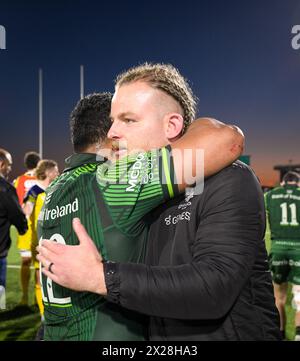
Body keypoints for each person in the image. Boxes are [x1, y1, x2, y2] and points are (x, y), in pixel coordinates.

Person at [39, 63, 280, 341]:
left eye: (128, 120)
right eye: (113, 120)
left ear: (172, 125)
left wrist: (100, 277)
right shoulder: (136, 188)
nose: (113, 132)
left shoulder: (229, 178)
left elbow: (213, 289)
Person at [265, 171, 300, 341]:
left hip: (278, 248)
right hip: (299, 249)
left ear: (283, 183)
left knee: (279, 297)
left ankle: (280, 335)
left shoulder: (271, 195)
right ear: (297, 183)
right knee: (299, 298)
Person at [25, 159, 59, 334]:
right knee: (40, 279)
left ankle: (55, 308)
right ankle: (43, 314)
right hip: (37, 242)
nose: (58, 173)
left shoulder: (55, 189)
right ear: (49, 172)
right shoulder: (34, 190)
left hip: (53, 240)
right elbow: (26, 210)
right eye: (56, 170)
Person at [0, 149, 28, 309]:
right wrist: (22, 228)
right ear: (1, 164)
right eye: (9, 165)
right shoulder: (5, 188)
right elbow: (17, 216)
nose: (10, 169)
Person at [14, 151, 40, 306]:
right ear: (38, 164)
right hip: (39, 225)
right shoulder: (42, 179)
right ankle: (39, 299)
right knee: (39, 265)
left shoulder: (19, 180)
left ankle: (24, 298)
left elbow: (16, 203)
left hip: (24, 228)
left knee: (25, 261)